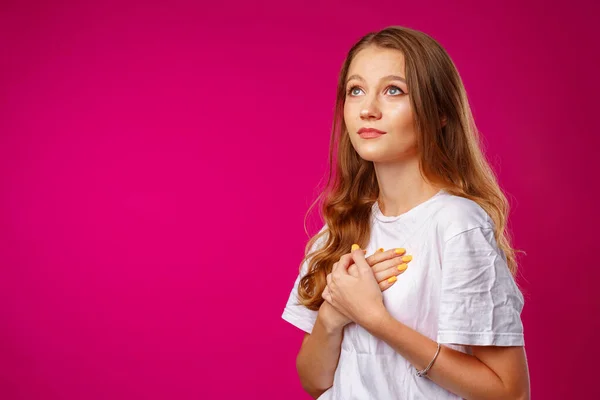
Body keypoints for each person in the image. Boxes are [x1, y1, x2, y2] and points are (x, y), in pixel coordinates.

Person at [281, 26, 530, 400]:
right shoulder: (336, 233)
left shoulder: (456, 225)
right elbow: (314, 381)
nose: (368, 109)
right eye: (356, 90)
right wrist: (333, 316)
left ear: (441, 113)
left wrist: (376, 320)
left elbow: (510, 393)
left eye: (393, 90)